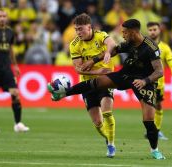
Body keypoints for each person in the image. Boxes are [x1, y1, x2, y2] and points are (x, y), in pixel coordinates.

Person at [48, 19, 166, 160]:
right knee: (97, 82)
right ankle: (63, 93)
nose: (122, 35)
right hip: (126, 74)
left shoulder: (151, 48)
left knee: (148, 119)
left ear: (134, 32)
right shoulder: (129, 42)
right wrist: (93, 61)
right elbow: (114, 49)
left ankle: (155, 150)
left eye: (125, 32)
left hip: (144, 81)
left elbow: (159, 71)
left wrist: (145, 81)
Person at [69, 13, 116, 158]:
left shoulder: (100, 35)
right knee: (97, 122)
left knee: (107, 111)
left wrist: (107, 52)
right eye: (76, 29)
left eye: (81, 29)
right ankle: (107, 138)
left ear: (89, 27)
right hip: (88, 84)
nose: (78, 32)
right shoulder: (74, 44)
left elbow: (112, 44)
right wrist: (98, 70)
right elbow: (78, 68)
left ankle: (111, 144)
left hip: (105, 80)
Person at [147, 22, 172, 140]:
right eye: (150, 30)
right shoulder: (144, 46)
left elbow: (171, 64)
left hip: (159, 84)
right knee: (148, 108)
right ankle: (151, 130)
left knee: (159, 106)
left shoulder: (165, 48)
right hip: (146, 82)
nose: (152, 32)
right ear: (147, 31)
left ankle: (156, 131)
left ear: (159, 30)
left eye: (154, 29)